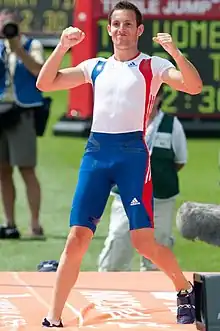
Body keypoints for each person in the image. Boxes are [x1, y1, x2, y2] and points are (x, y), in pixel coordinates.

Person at [36, 1, 202, 327]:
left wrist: (175, 53)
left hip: (132, 156)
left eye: (128, 24)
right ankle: (53, 317)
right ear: (108, 29)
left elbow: (194, 87)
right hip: (96, 153)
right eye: (116, 24)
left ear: (139, 30)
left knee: (143, 242)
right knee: (77, 236)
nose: (121, 30)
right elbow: (46, 83)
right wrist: (63, 47)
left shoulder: (152, 65)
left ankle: (183, 289)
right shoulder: (95, 66)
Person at [98, 89, 188, 272]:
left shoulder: (172, 125)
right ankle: (108, 283)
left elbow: (179, 160)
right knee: (119, 238)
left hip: (161, 196)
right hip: (127, 194)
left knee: (159, 242)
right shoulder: (123, 122)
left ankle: (154, 289)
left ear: (160, 98)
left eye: (153, 94)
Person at [0, 9, 45, 239]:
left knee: (27, 169)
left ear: (19, 24)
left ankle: (35, 224)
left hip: (22, 112)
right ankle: (9, 223)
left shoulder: (31, 45)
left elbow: (38, 70)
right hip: (1, 113)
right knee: (3, 171)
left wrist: (17, 48)